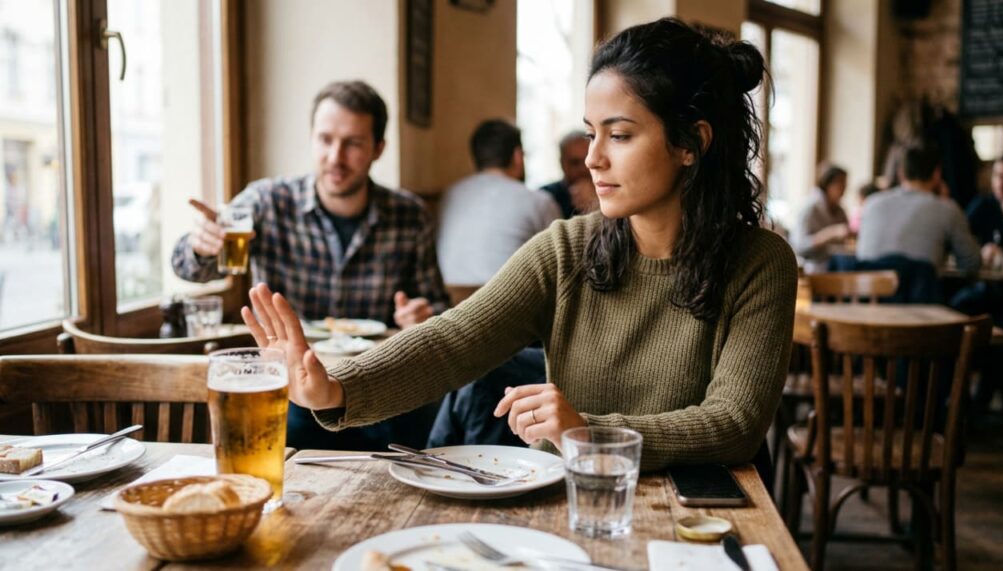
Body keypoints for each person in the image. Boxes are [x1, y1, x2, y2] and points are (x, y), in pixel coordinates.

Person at [241, 18, 796, 475]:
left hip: (698, 519)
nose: (593, 158)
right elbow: (452, 341)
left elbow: (735, 424)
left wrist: (587, 433)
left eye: (620, 135)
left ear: (691, 143)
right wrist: (338, 388)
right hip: (570, 504)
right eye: (592, 132)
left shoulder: (760, 262)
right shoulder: (566, 249)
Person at [171, 80, 449, 451]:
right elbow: (188, 268)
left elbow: (439, 309)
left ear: (378, 148)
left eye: (352, 143)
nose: (335, 157)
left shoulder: (409, 215)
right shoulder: (268, 201)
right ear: (312, 139)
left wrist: (420, 315)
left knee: (421, 423)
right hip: (288, 386)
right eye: (325, 139)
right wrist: (202, 246)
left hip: (374, 386)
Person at [436, 119, 560, 286]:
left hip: (451, 300)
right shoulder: (539, 201)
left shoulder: (449, 195)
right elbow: (561, 265)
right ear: (518, 156)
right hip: (510, 299)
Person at [954, 151, 1003, 425]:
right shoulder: (984, 205)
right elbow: (960, 241)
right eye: (997, 176)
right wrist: (979, 250)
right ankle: (959, 398)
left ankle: (994, 399)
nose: (1000, 184)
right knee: (958, 309)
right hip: (988, 287)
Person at [857, 142, 981, 273]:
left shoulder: (871, 203)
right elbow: (971, 263)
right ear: (937, 174)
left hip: (867, 285)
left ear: (901, 173)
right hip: (918, 285)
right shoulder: (948, 209)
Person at [791, 163, 850, 273]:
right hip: (811, 266)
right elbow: (798, 246)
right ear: (827, 184)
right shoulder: (810, 208)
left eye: (845, 185)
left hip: (835, 265)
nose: (844, 189)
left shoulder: (840, 211)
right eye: (840, 184)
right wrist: (829, 234)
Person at [541, 131, 591, 218]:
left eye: (587, 161)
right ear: (562, 163)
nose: (582, 169)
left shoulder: (608, 194)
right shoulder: (545, 197)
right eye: (575, 162)